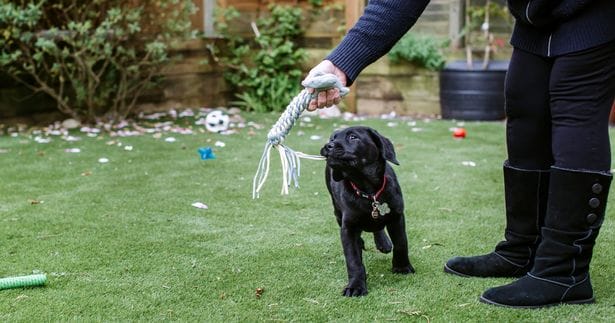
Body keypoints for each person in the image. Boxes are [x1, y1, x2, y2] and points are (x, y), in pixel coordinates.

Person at [303, 0, 615, 308]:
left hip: (592, 13)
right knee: (525, 107)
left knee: (576, 113)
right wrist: (342, 62)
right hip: (535, 20)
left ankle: (563, 272)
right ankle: (523, 249)